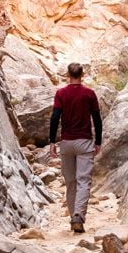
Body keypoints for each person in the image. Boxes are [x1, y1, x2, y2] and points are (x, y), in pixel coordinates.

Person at [49, 63, 102, 233]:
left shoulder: (61, 94)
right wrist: (98, 141)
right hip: (84, 142)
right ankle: (78, 215)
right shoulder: (89, 93)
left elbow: (55, 117)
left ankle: (74, 217)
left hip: (66, 143)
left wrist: (52, 142)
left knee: (71, 182)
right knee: (83, 181)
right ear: (82, 74)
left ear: (67, 75)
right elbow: (97, 119)